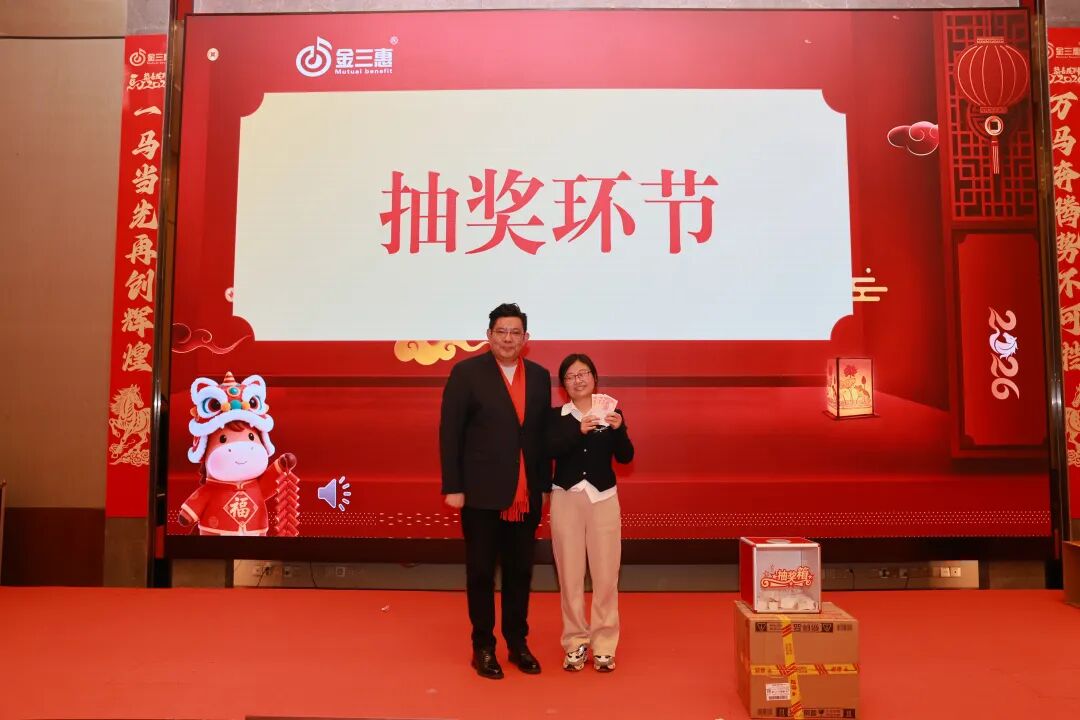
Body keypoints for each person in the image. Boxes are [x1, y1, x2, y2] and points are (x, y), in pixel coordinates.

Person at [440, 303, 552, 679]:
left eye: (515, 332)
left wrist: (542, 485)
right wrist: (453, 486)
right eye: (501, 331)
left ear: (526, 338)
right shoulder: (467, 373)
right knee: (481, 573)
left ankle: (517, 643)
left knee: (520, 572)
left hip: (525, 494)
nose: (508, 339)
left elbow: (539, 437)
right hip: (480, 493)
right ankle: (483, 647)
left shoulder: (539, 377)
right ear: (488, 335)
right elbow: (450, 432)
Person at [547, 353, 634, 673]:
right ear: (563, 385)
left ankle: (605, 644)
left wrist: (620, 430)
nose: (578, 380)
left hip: (603, 499)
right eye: (571, 376)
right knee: (569, 576)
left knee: (606, 575)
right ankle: (575, 641)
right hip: (565, 499)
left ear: (594, 378)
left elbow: (626, 457)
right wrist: (578, 431)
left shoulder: (612, 413)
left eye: (583, 373)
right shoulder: (555, 417)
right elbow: (548, 450)